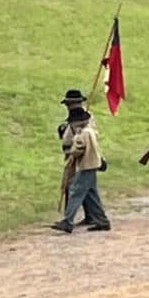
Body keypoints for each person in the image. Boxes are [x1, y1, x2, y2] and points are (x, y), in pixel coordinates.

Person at [52, 108, 110, 233]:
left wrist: (72, 149)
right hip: (92, 165)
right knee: (91, 195)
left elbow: (78, 148)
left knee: (75, 192)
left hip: (86, 165)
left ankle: (68, 221)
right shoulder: (90, 131)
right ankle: (102, 221)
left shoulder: (82, 134)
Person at [58, 88, 98, 226]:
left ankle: (68, 220)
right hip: (73, 156)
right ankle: (95, 217)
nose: (70, 106)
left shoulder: (86, 119)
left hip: (81, 158)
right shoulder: (73, 119)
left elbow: (87, 138)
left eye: (72, 103)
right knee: (87, 189)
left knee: (75, 188)